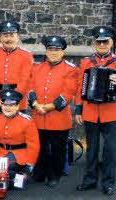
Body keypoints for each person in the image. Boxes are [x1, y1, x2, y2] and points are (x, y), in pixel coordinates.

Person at [27, 36, 77, 188]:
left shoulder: (71, 69)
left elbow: (68, 93)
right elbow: (30, 88)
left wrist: (47, 107)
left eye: (57, 50)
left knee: (57, 149)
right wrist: (35, 104)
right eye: (50, 50)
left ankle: (55, 175)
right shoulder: (36, 68)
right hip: (38, 115)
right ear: (46, 51)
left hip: (58, 117)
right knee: (39, 146)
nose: (53, 53)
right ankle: (40, 173)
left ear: (63, 52)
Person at [75, 26, 116, 196]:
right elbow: (80, 86)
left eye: (105, 41)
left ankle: (108, 182)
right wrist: (78, 109)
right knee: (91, 148)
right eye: (98, 41)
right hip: (91, 112)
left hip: (111, 113)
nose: (102, 44)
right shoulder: (86, 62)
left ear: (111, 42)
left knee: (110, 150)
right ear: (94, 42)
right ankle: (90, 180)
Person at [0, 89, 39, 188]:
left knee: (1, 169)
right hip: (1, 153)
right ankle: (13, 178)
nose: (8, 108)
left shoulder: (27, 121)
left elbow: (34, 146)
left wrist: (28, 169)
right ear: (1, 105)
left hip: (20, 155)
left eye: (11, 105)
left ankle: (17, 176)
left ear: (17, 106)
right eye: (5, 105)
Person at [0, 20, 33, 115]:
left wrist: (12, 101)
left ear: (17, 37)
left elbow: (25, 80)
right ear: (0, 37)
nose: (8, 39)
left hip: (17, 103)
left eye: (12, 35)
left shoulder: (26, 55)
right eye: (5, 36)